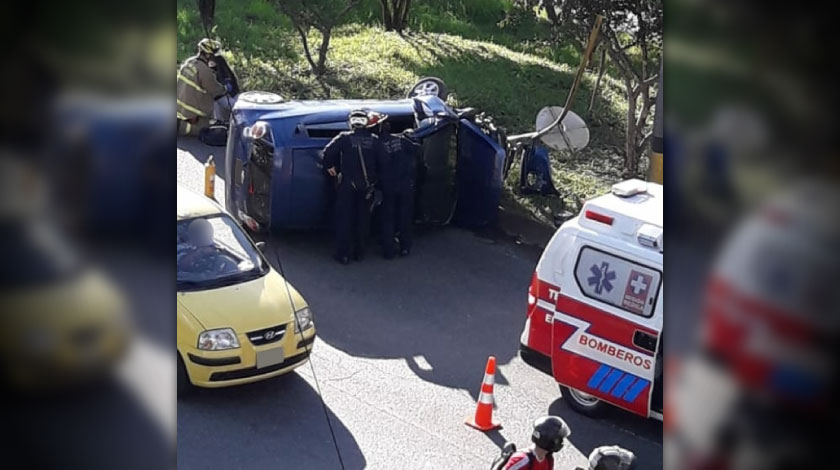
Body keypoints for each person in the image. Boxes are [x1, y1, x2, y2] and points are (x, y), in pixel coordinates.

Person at [323, 110, 379, 265]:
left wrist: (330, 167)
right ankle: (359, 253)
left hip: (347, 185)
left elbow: (327, 152)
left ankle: (343, 254)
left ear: (351, 122)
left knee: (344, 219)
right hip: (367, 187)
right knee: (363, 220)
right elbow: (384, 161)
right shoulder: (374, 140)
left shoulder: (344, 137)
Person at [376, 121, 421, 259]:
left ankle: (388, 251)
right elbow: (417, 149)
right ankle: (405, 248)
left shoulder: (376, 144)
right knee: (404, 218)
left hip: (388, 187)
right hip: (405, 186)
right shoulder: (401, 140)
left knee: (388, 219)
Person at [177, 38, 228, 137]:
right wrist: (225, 88)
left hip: (179, 110)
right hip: (194, 115)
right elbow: (216, 90)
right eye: (213, 55)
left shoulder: (188, 62)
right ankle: (182, 127)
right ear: (208, 54)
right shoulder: (204, 71)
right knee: (206, 129)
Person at [502, 416, 570, 470]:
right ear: (549, 441)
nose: (561, 442)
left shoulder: (548, 458)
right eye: (559, 440)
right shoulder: (522, 459)